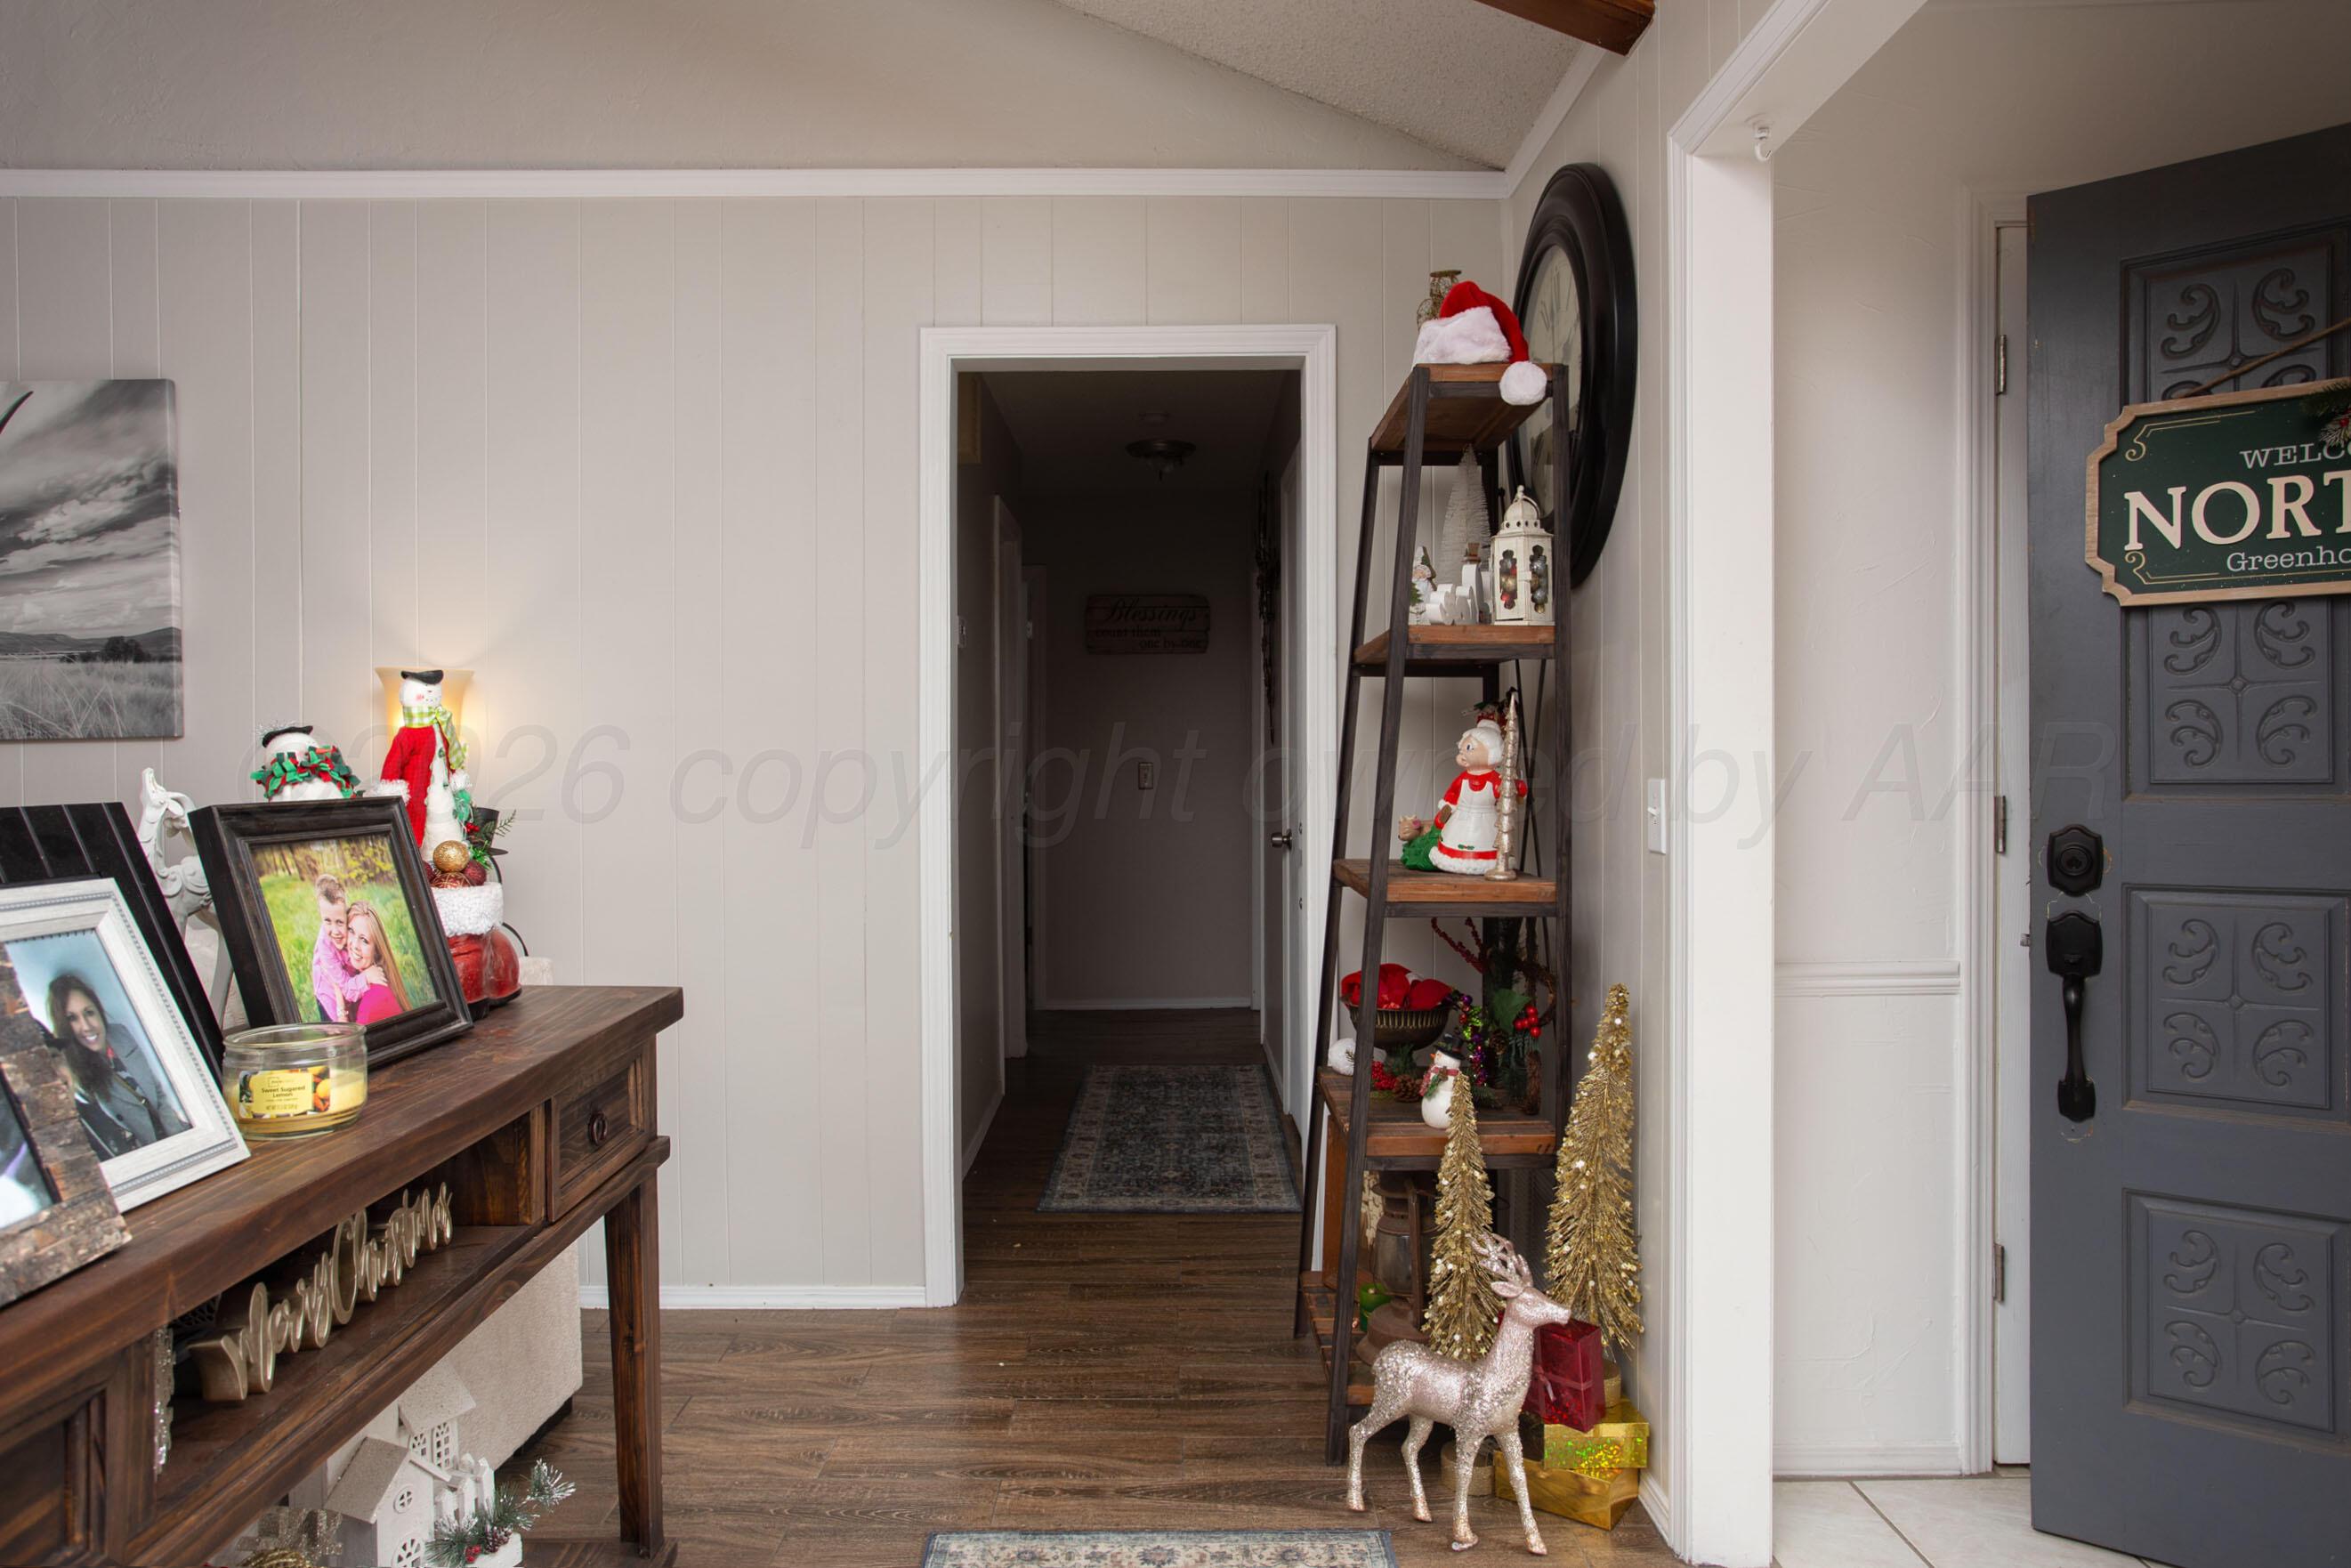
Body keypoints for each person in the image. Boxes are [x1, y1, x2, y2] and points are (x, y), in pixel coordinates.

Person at [44, 972, 189, 1159]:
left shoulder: (121, 1035)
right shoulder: (76, 1077)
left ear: (99, 1011)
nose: (87, 1025)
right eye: (73, 1018)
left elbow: (157, 1090)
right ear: (65, 1027)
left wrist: (179, 1139)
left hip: (177, 1135)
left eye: (89, 1012)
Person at [310, 875, 372, 1023]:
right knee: (337, 1031)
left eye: (339, 922)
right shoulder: (325, 946)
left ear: (346, 916)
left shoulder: (353, 928)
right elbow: (341, 987)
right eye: (327, 921)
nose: (335, 930)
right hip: (329, 994)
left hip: (349, 984)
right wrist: (368, 977)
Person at [343, 902, 412, 1025]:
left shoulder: (374, 998)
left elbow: (354, 1044)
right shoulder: (358, 983)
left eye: (364, 940)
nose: (354, 945)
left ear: (376, 951)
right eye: (351, 931)